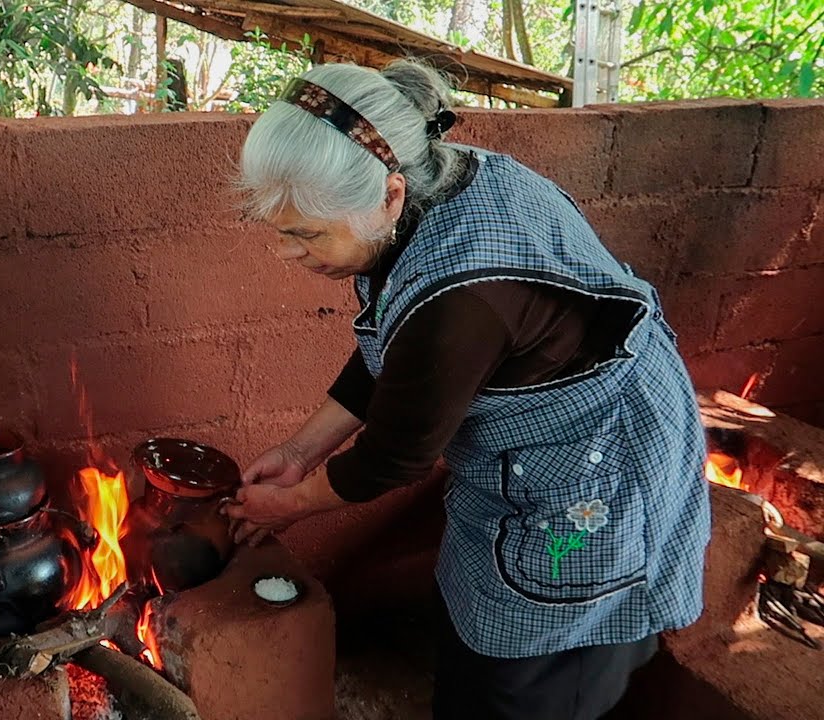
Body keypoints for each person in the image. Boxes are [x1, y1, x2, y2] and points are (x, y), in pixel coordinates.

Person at [221, 60, 711, 720]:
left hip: (599, 474)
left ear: (389, 194)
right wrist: (301, 451)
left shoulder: (460, 299)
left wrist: (287, 505)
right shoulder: (429, 182)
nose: (289, 252)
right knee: (483, 646)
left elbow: (394, 456)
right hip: (533, 462)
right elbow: (396, 354)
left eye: (306, 233)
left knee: (539, 672)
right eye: (280, 231)